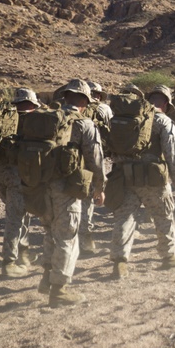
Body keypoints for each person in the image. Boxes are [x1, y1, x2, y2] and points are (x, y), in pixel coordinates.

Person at [35, 79, 107, 307]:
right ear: (85, 100)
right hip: (69, 188)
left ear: (65, 97)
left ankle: (47, 277)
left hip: (41, 186)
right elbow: (96, 159)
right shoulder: (85, 123)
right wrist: (100, 186)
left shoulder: (44, 119)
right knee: (67, 236)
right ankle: (59, 290)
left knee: (49, 231)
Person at [107, 85, 175, 276]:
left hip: (124, 176)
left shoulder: (126, 118)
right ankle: (169, 257)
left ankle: (120, 261)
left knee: (124, 217)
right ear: (167, 103)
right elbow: (172, 153)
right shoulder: (164, 121)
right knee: (163, 215)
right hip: (153, 178)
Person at [0, 88, 41, 277]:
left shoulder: (5, 118)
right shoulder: (34, 120)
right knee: (15, 217)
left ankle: (23, 253)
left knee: (20, 213)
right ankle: (9, 262)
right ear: (33, 103)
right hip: (16, 175)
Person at [80, 81, 112, 254]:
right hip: (91, 158)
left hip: (64, 165)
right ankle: (86, 242)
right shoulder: (104, 109)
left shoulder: (65, 110)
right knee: (86, 204)